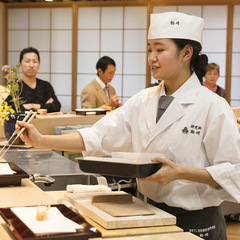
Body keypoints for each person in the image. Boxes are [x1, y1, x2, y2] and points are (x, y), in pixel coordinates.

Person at [17, 12, 240, 240]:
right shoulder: (143, 99)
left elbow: (234, 171)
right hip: (149, 213)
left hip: (197, 223)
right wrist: (41, 140)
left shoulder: (213, 106)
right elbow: (97, 135)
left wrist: (180, 173)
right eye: (149, 49)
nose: (151, 57)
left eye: (160, 50)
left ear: (187, 52)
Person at [6, 47, 61, 113]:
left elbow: (56, 106)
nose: (31, 65)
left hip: (43, 123)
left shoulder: (45, 86)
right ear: (20, 65)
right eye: (27, 61)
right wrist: (44, 106)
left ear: (39, 65)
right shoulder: (13, 86)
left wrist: (32, 106)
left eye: (35, 61)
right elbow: (10, 108)